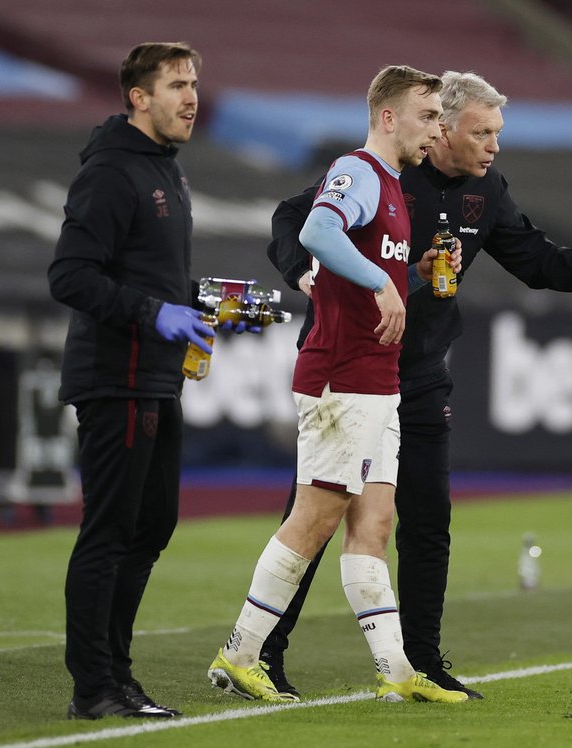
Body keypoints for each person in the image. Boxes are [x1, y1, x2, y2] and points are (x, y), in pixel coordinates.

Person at [261, 71, 572, 700]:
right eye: (484, 131)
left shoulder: (486, 189)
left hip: (418, 375)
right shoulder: (384, 174)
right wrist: (304, 273)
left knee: (426, 521)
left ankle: (420, 663)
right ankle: (265, 653)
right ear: (442, 127)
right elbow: (294, 218)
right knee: (317, 515)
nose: (495, 145)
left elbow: (534, 257)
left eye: (498, 132)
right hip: (353, 366)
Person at [206, 65, 469, 705]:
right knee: (314, 519)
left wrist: (411, 272)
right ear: (388, 117)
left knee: (373, 525)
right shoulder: (357, 171)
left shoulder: (393, 188)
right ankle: (239, 655)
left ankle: (398, 672)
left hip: (377, 383)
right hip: (340, 379)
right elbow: (316, 231)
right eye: (428, 116)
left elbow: (359, 274)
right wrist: (384, 283)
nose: (436, 129)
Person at [49, 42, 214, 720]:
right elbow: (71, 275)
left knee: (152, 526)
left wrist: (201, 303)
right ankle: (95, 686)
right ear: (138, 97)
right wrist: (155, 312)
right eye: (176, 84)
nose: (191, 96)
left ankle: (116, 673)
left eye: (194, 83)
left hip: (155, 376)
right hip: (116, 377)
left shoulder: (165, 171)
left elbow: (147, 275)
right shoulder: (113, 172)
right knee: (111, 530)